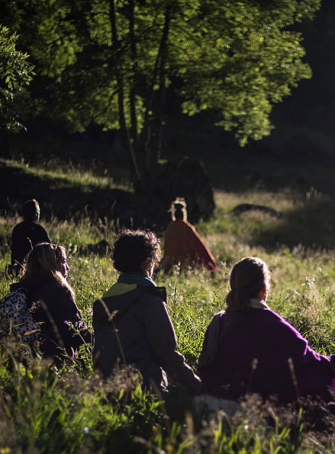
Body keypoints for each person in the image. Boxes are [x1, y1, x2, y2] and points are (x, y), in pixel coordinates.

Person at [198, 257, 335, 406]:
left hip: (213, 408)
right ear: (264, 289)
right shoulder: (276, 327)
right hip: (260, 416)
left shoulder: (219, 323)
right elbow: (313, 367)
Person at [93, 229, 201, 395]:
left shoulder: (104, 302)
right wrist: (199, 388)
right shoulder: (150, 301)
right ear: (147, 263)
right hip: (146, 392)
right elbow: (169, 357)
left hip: (107, 392)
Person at [10, 243, 91, 360]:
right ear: (51, 264)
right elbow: (75, 332)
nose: (67, 267)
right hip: (53, 360)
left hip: (18, 359)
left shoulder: (22, 289)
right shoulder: (59, 291)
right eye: (63, 261)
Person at [163, 198, 219, 272]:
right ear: (184, 214)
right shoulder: (186, 227)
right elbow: (199, 246)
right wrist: (210, 262)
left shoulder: (170, 228)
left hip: (170, 266)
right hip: (186, 265)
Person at [11, 199, 51, 271]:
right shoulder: (39, 229)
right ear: (35, 214)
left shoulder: (17, 229)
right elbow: (50, 249)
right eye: (38, 211)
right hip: (37, 270)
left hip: (18, 268)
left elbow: (14, 252)